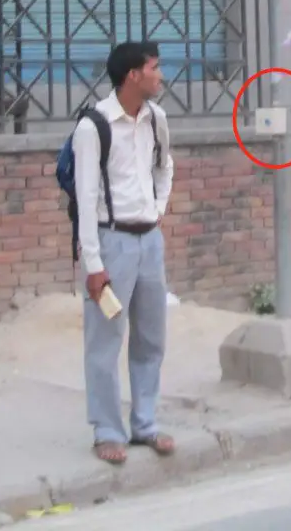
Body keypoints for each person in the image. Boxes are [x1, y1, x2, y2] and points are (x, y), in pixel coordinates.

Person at [74, 41, 175, 465]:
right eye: (154, 68)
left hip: (149, 240)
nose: (160, 75)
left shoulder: (156, 119)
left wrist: (158, 209)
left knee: (151, 337)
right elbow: (85, 197)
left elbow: (165, 166)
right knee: (105, 340)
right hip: (110, 242)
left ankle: (145, 424)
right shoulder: (93, 127)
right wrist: (93, 266)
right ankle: (106, 431)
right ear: (133, 75)